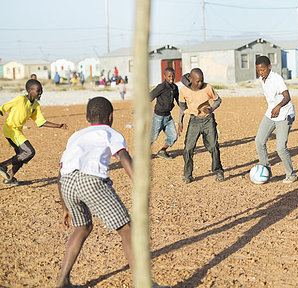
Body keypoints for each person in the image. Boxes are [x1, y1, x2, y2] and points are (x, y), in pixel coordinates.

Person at [55, 97, 167, 288]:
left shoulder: (76, 136)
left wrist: (65, 207)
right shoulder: (110, 133)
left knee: (82, 227)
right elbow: (124, 158)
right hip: (90, 181)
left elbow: (60, 172)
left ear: (87, 118)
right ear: (111, 117)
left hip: (66, 183)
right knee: (127, 229)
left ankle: (62, 281)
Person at [0, 79, 68, 186]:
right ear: (29, 90)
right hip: (11, 130)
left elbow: (41, 122)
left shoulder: (35, 105)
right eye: (38, 90)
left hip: (18, 132)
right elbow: (3, 108)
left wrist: (58, 126)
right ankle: (2, 166)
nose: (40, 93)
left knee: (23, 156)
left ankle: (9, 178)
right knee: (29, 152)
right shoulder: (20, 99)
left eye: (41, 90)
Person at [255, 55, 297, 183]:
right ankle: (266, 170)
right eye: (258, 71)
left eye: (263, 70)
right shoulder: (262, 79)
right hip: (271, 113)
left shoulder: (277, 78)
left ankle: (291, 175)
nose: (261, 73)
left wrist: (278, 107)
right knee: (259, 141)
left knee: (280, 148)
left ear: (269, 67)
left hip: (285, 113)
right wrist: (274, 108)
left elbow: (287, 96)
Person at [178, 68, 224, 183]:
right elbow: (182, 108)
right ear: (191, 79)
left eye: (202, 80)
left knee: (213, 146)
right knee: (188, 148)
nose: (200, 83)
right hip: (194, 121)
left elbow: (218, 101)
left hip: (208, 120)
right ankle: (188, 175)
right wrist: (180, 122)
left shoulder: (208, 87)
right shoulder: (184, 91)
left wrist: (211, 108)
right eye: (197, 81)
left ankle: (218, 171)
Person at [150, 67, 179, 159]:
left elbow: (178, 100)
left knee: (173, 136)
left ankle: (162, 151)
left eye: (173, 76)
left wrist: (187, 108)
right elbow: (150, 96)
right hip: (158, 116)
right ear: (164, 76)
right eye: (169, 76)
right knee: (153, 137)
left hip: (168, 117)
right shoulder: (161, 87)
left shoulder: (175, 87)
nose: (171, 78)